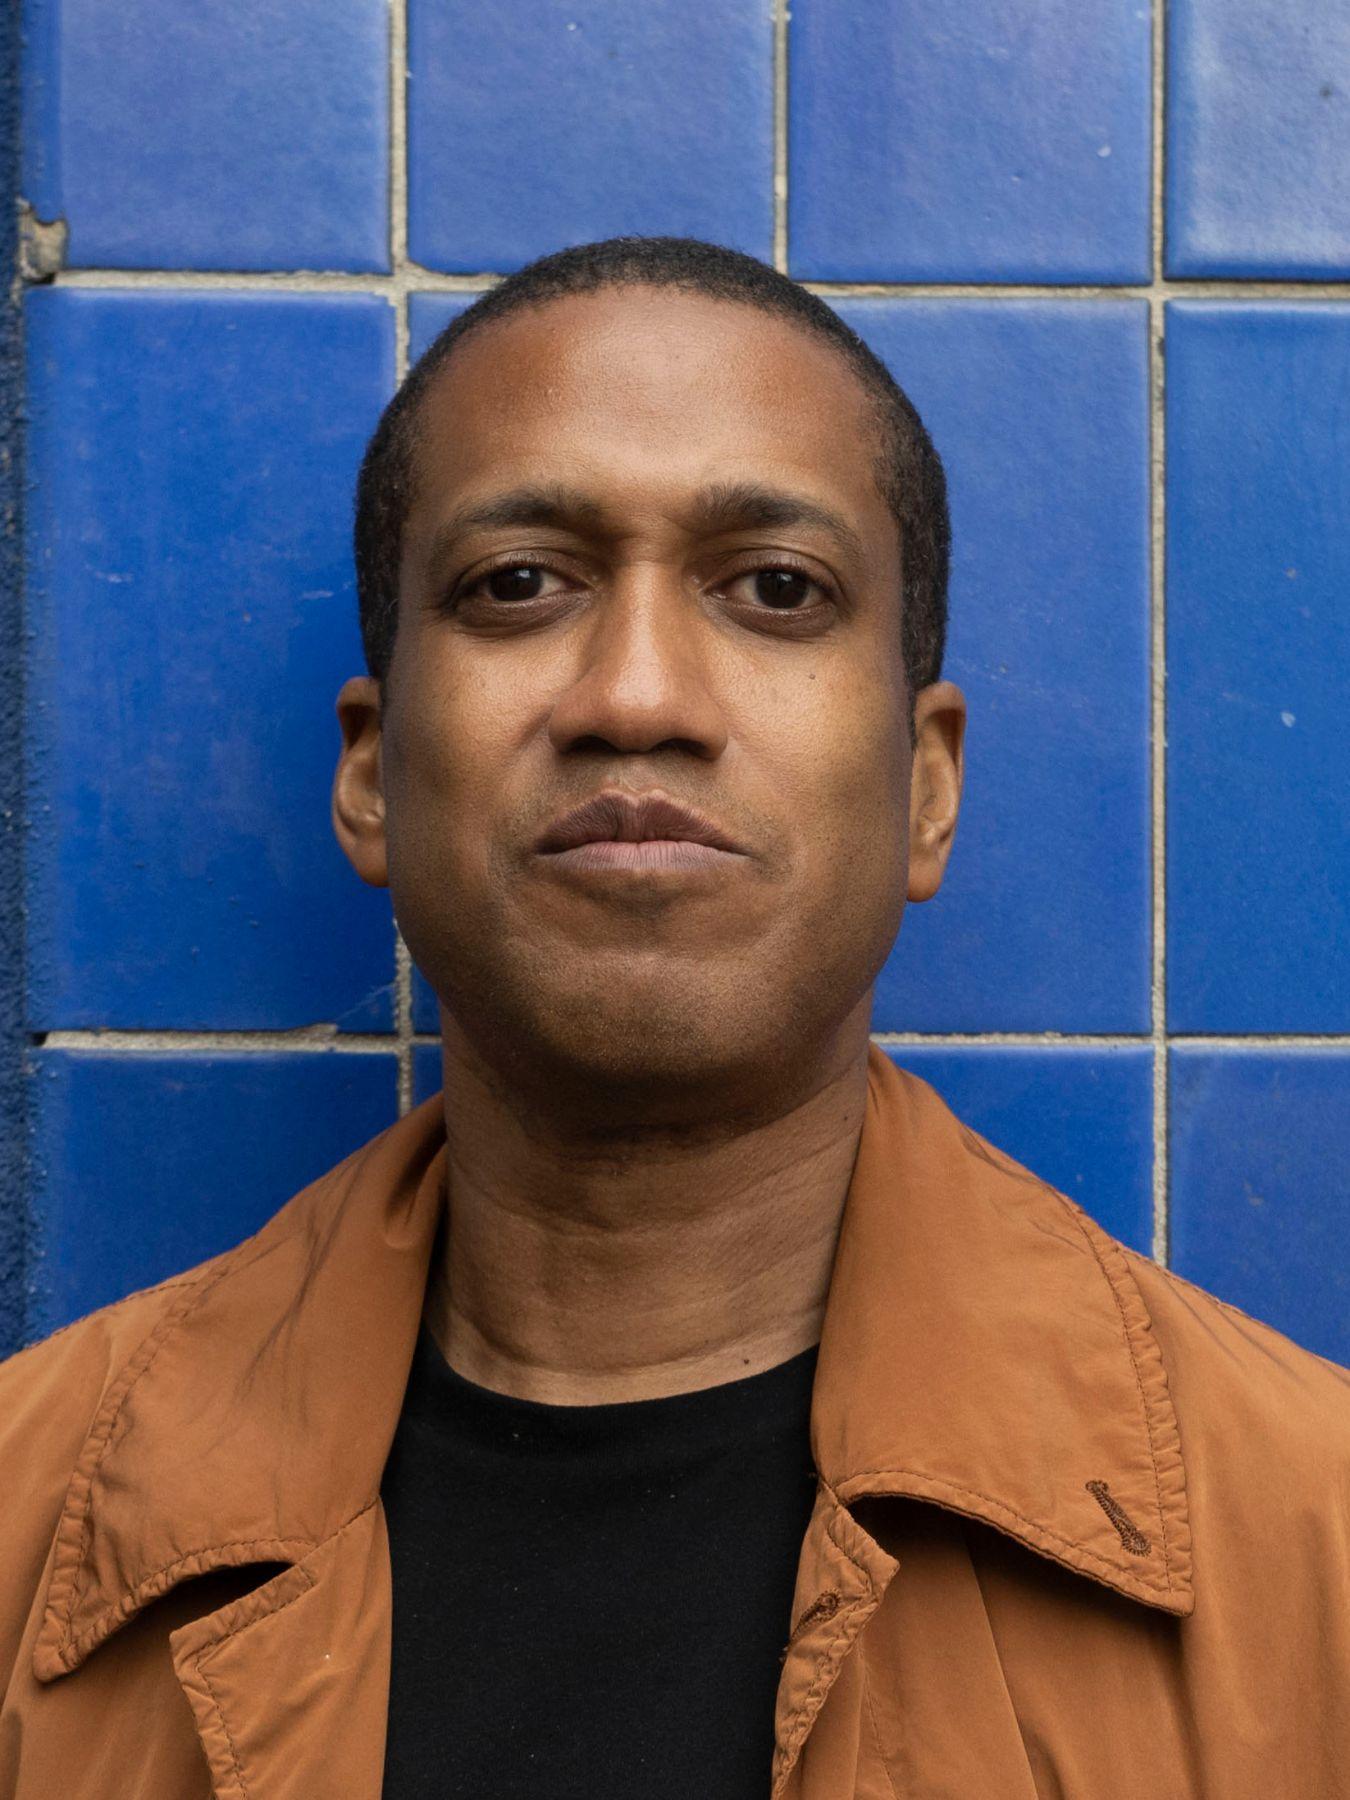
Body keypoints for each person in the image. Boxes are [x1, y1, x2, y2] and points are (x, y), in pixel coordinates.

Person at [1, 237, 1346, 1800]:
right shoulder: (29, 1519)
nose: (635, 695)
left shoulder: (1308, 1557)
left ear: (926, 787)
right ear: (370, 774)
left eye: (775, 590)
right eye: (518, 585)